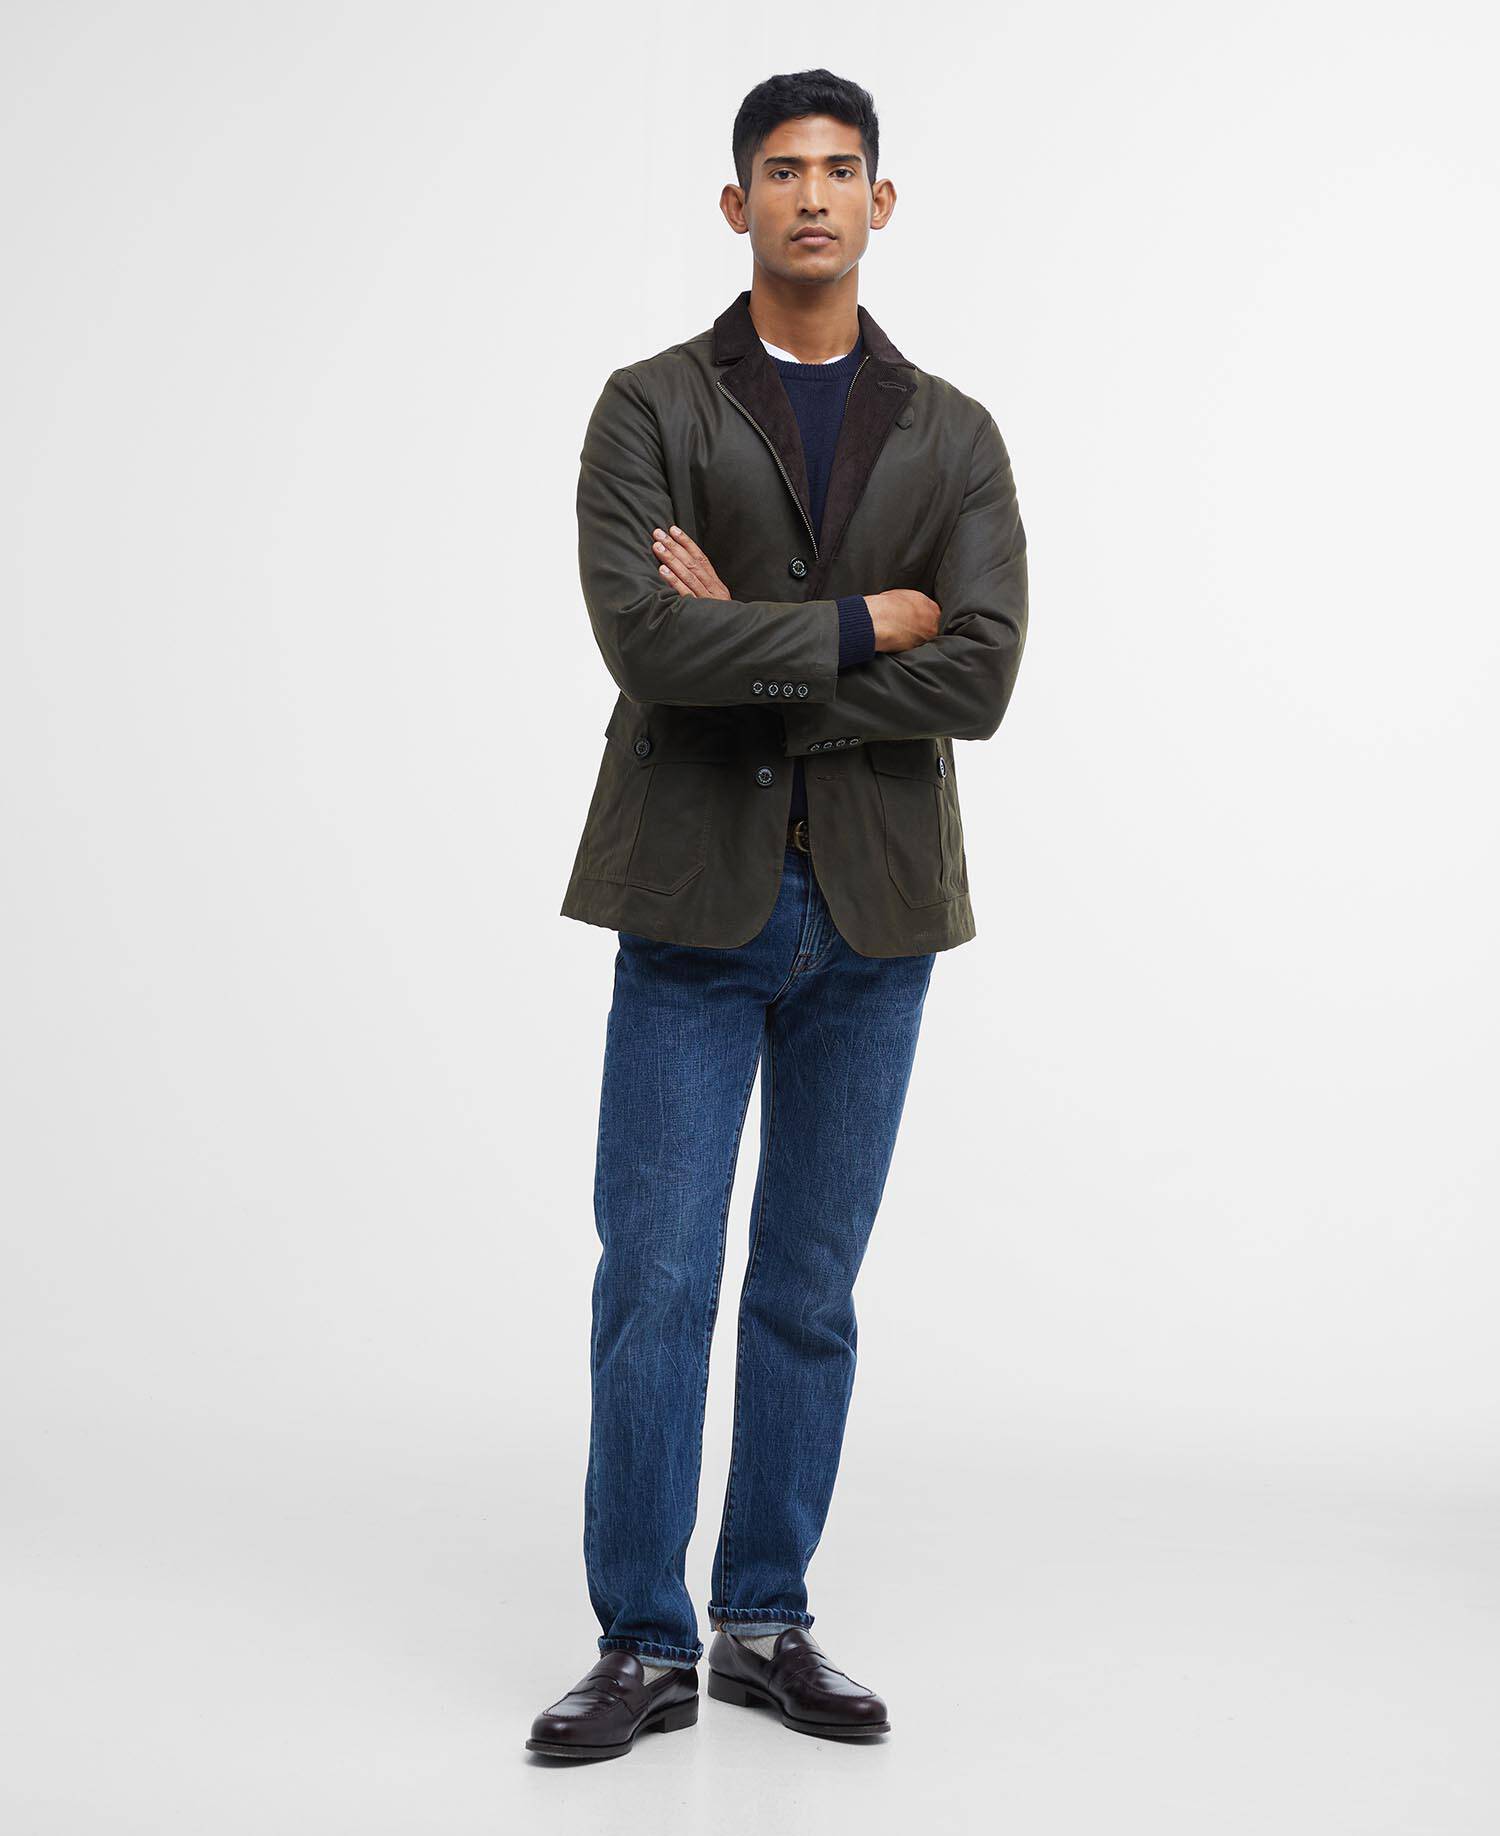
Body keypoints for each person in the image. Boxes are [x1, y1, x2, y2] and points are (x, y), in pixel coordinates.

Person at [529, 68, 1028, 1760]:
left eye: (841, 169)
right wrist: (865, 623)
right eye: (781, 170)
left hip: (876, 915)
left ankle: (764, 1618)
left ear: (881, 203)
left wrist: (749, 636)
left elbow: (984, 675)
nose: (812, 194)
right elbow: (643, 643)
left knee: (809, 1289)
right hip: (693, 901)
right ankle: (641, 1642)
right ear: (736, 204)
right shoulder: (650, 406)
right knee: (657, 1282)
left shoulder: (953, 431)